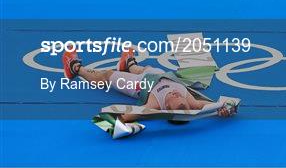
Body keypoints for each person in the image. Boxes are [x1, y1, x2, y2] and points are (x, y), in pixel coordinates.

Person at [62, 47, 234, 122]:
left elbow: (136, 114)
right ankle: (128, 64)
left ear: (167, 107)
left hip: (139, 85)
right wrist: (225, 109)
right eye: (181, 98)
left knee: (107, 75)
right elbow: (218, 105)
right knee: (148, 68)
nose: (178, 95)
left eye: (176, 99)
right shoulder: (191, 102)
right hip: (162, 75)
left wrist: (115, 121)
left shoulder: (155, 104)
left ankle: (75, 69)